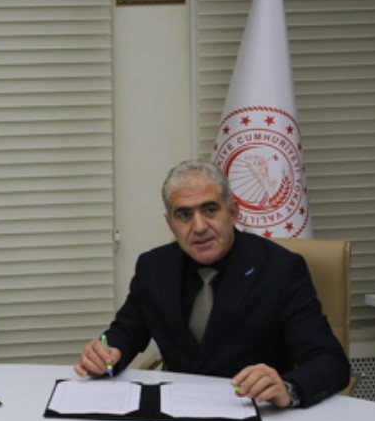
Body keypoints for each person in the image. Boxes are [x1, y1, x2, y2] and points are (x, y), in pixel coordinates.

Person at [75, 159, 349, 408]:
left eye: (210, 210)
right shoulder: (153, 267)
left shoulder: (280, 269)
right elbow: (124, 334)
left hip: (254, 417)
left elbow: (329, 361)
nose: (199, 227)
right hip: (176, 414)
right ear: (170, 223)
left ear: (233, 212)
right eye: (184, 215)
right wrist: (103, 355)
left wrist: (287, 388)